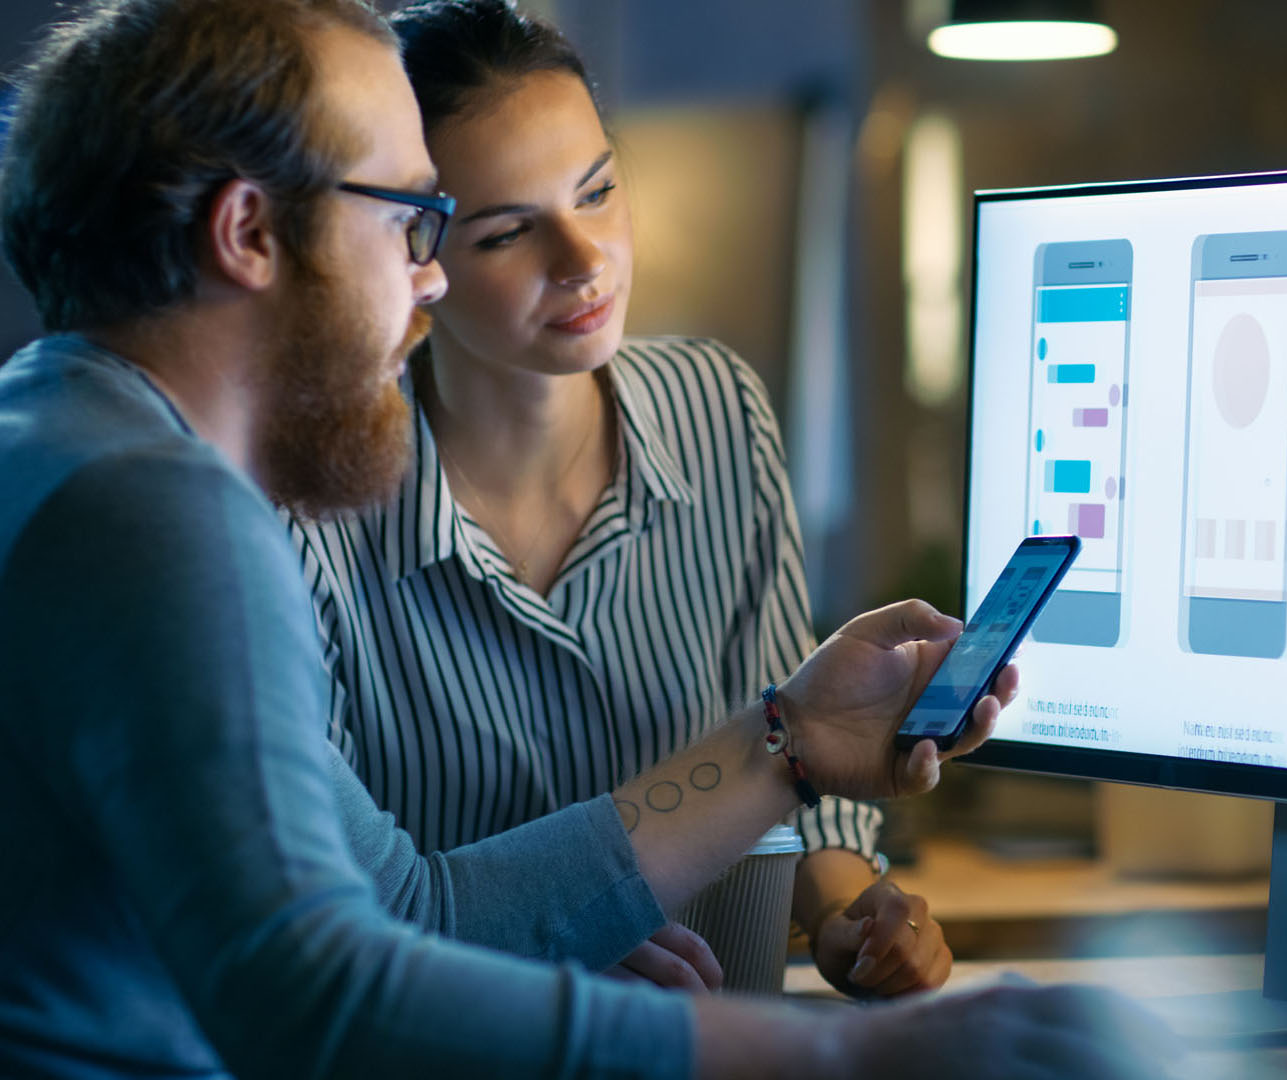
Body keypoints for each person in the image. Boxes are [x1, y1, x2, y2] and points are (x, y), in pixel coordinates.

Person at [0, 1, 1180, 1077]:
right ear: (250, 232)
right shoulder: (162, 514)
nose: (425, 285)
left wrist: (797, 740)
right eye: (417, 221)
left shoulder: (59, 437)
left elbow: (415, 912)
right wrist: (856, 1064)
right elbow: (328, 1005)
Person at [284, 0, 944, 997]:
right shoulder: (314, 507)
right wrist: (534, 941)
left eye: (596, 192)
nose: (584, 259)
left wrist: (854, 916)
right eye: (511, 233)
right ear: (415, 258)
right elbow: (322, 911)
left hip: (726, 1047)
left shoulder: (719, 410)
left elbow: (796, 766)